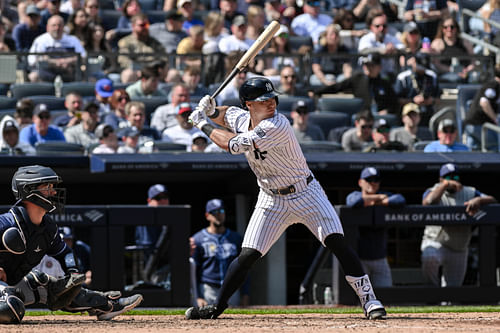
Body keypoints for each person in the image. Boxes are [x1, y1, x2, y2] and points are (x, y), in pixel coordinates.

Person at [185, 77, 386, 320]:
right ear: (249, 104)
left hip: (306, 192)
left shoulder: (277, 125)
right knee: (247, 255)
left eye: (272, 99)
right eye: (263, 101)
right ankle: (216, 307)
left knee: (337, 242)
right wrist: (213, 110)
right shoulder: (242, 117)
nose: (271, 104)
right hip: (271, 198)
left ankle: (370, 300)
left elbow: (233, 145)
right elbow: (228, 114)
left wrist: (202, 123)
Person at [0, 165, 143, 324]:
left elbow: (65, 253)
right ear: (29, 190)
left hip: (11, 284)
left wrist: (73, 273)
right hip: (5, 289)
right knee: (9, 308)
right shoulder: (6, 223)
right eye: (47, 187)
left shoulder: (48, 228)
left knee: (46, 284)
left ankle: (106, 305)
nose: (53, 192)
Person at [421, 163, 497, 287]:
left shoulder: (469, 191)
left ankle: (446, 302)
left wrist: (478, 200)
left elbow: (492, 200)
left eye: (455, 177)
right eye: (447, 177)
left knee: (453, 289)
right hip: (436, 240)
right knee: (430, 257)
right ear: (440, 179)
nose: (452, 180)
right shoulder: (433, 190)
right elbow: (427, 202)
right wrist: (445, 185)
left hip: (458, 245)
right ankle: (432, 295)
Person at [346, 167, 406, 287]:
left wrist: (374, 202)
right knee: (361, 297)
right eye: (369, 180)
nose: (373, 183)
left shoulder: (386, 195)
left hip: (380, 259)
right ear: (360, 182)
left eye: (376, 180)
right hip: (360, 259)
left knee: (386, 296)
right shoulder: (356, 195)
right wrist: (379, 199)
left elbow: (400, 200)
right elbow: (353, 202)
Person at [191, 199, 247, 307]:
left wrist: (245, 293)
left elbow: (243, 268)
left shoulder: (235, 238)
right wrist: (197, 296)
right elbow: (194, 271)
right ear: (207, 215)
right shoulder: (198, 239)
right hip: (208, 288)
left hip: (231, 289)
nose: (219, 215)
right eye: (214, 212)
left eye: (221, 211)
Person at [314, 53, 399, 116]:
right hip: (362, 116)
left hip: (380, 118)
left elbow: (394, 103)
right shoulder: (358, 79)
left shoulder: (384, 84)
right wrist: (316, 91)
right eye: (366, 65)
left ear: (379, 67)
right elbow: (338, 87)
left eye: (371, 65)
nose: (368, 68)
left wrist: (387, 111)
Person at [28, 15, 86, 82]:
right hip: (46, 74)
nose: (57, 28)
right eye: (54, 25)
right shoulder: (40, 40)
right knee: (33, 76)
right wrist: (54, 63)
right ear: (47, 28)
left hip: (70, 74)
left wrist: (67, 61)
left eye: (59, 25)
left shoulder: (73, 40)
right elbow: (32, 60)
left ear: (63, 27)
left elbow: (83, 57)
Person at [394, 52, 440, 126]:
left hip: (427, 115)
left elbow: (438, 97)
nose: (422, 70)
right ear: (414, 62)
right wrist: (413, 100)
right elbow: (396, 100)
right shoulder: (403, 77)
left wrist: (431, 100)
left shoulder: (432, 76)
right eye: (420, 67)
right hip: (409, 115)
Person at [357, 9, 404, 78]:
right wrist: (381, 50)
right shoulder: (366, 38)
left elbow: (403, 48)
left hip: (388, 76)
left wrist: (394, 49)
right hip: (368, 76)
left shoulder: (390, 38)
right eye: (377, 26)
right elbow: (363, 51)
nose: (381, 28)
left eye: (384, 26)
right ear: (371, 27)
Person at [464, 63, 500, 150]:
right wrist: (496, 119)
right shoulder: (493, 85)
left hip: (471, 124)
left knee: (474, 153)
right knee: (494, 148)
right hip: (478, 124)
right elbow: (484, 102)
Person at [135, 184, 170, 259]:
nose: (163, 200)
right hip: (151, 264)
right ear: (149, 200)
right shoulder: (146, 215)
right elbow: (148, 248)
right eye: (158, 198)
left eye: (165, 197)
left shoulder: (167, 215)